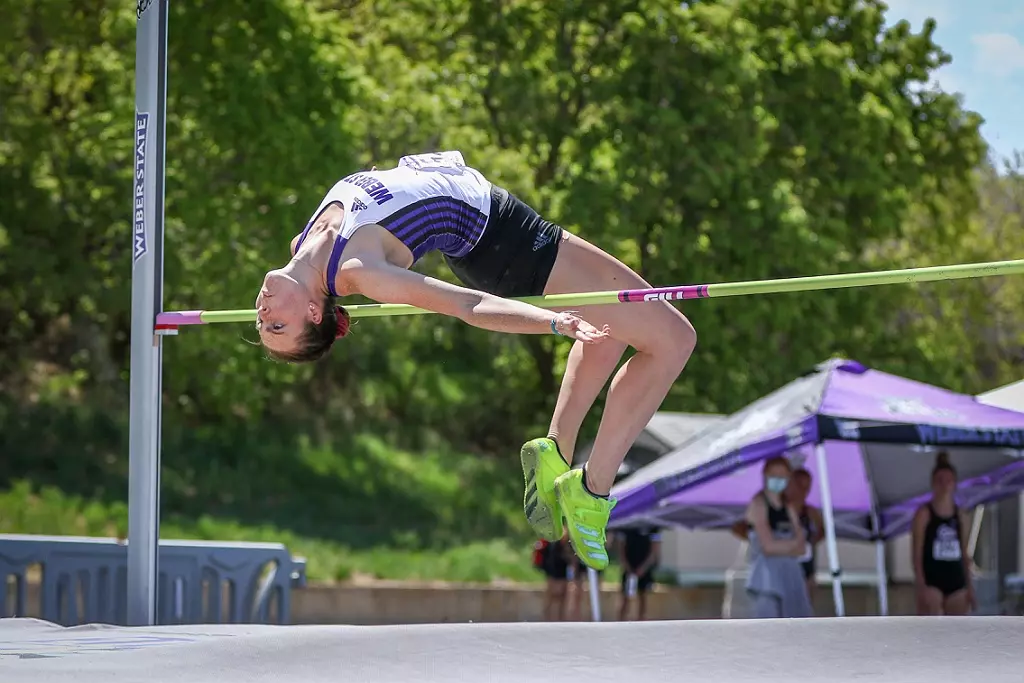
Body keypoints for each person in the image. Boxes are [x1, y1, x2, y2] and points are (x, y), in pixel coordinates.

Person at [254, 151, 697, 570]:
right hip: (502, 239)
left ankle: (555, 452)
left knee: (613, 329)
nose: (263, 315)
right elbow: (467, 306)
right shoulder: (355, 271)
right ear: (313, 313)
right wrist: (552, 323)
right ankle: (593, 490)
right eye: (277, 328)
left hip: (490, 228)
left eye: (263, 326)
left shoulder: (304, 240)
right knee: (674, 340)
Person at [742, 456, 813, 619]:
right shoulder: (758, 504)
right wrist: (791, 545)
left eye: (783, 477)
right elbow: (767, 546)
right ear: (765, 475)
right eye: (774, 476)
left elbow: (802, 547)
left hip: (790, 578)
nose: (778, 481)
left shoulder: (788, 506)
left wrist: (783, 546)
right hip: (766, 579)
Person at [911, 452, 976, 616]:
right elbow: (916, 553)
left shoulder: (961, 515)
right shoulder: (924, 514)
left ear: (954, 483)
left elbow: (964, 552)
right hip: (932, 580)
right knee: (933, 628)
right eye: (940, 481)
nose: (945, 485)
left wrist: (970, 587)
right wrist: (921, 586)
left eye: (948, 481)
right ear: (933, 483)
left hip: (956, 580)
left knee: (956, 632)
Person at [788, 468, 825, 603]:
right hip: (784, 567)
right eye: (799, 485)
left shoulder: (810, 511)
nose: (803, 491)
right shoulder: (781, 509)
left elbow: (822, 531)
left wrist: (811, 542)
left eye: (807, 487)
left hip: (806, 568)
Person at [615, 525, 662, 621]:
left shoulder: (653, 528)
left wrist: (643, 568)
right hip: (629, 569)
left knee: (643, 597)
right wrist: (627, 568)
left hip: (644, 569)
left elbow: (654, 551)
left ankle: (641, 621)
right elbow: (621, 550)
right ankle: (621, 622)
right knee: (625, 597)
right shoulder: (626, 527)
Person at [537, 532, 584, 621]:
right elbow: (551, 563)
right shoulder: (554, 546)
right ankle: (547, 620)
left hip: (563, 575)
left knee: (562, 599)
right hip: (555, 574)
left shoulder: (570, 545)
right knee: (552, 598)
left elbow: (573, 563)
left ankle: (560, 620)